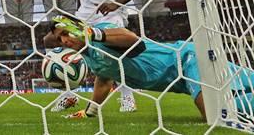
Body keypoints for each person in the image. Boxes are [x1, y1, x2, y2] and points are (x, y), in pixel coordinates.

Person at [44, 15, 254, 121]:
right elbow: (104, 79)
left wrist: (91, 33)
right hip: (178, 82)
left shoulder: (101, 32)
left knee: (216, 113)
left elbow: (133, 41)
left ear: (79, 27)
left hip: (187, 58)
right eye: (59, 38)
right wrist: (90, 112)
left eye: (66, 33)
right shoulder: (89, 58)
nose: (64, 40)